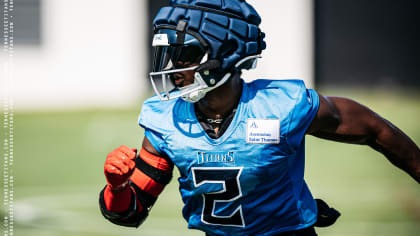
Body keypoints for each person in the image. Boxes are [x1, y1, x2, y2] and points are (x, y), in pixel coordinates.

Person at [98, 0, 420, 235]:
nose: (173, 69)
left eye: (185, 55)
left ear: (225, 53)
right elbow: (131, 213)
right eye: (170, 55)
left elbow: (374, 129)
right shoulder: (167, 120)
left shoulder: (280, 106)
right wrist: (118, 187)